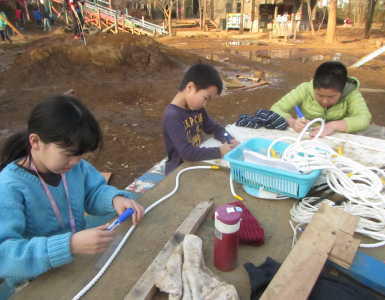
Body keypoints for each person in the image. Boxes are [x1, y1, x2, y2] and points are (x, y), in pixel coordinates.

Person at [0, 95, 144, 298]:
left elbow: (93, 192)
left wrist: (114, 199)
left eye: (81, 155)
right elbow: (4, 255)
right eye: (68, 154)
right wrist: (69, 244)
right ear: (35, 142)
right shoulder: (9, 186)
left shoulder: (73, 167)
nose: (76, 162)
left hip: (75, 261)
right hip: (34, 283)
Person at [163, 63, 239, 175]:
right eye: (205, 98)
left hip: (195, 161)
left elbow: (215, 128)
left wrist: (228, 139)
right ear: (190, 88)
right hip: (178, 170)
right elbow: (187, 153)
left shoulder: (197, 108)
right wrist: (220, 151)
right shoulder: (172, 116)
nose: (205, 104)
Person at [271, 61, 372, 137]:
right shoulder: (305, 89)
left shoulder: (351, 93)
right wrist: (292, 122)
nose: (325, 101)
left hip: (338, 138)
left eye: (331, 97)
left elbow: (364, 118)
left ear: (342, 91)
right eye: (319, 95)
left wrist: (332, 126)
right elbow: (276, 108)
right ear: (314, 88)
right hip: (308, 136)